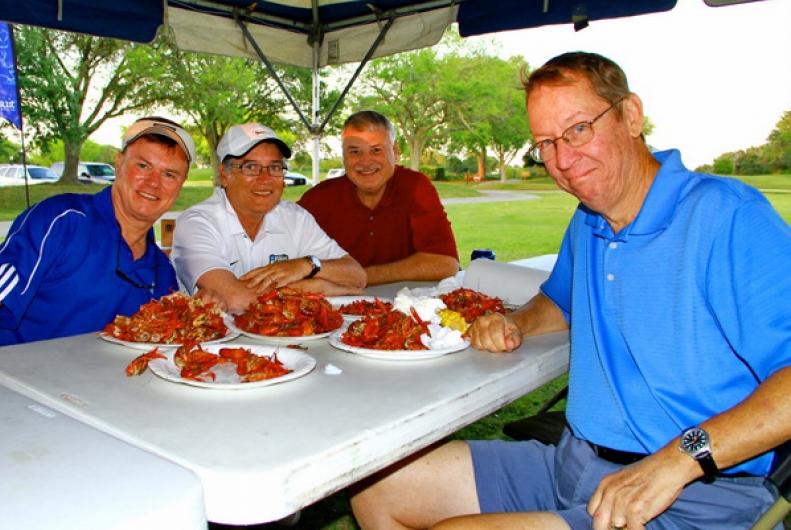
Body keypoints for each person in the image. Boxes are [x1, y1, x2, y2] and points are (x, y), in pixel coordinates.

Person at [350, 52, 791, 530]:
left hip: (692, 493)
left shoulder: (727, 216)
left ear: (631, 115)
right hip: (575, 466)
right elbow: (561, 302)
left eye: (579, 129)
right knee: (378, 489)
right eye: (546, 143)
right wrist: (516, 323)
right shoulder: (589, 219)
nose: (562, 160)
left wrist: (678, 460)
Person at [0, 117, 195, 378]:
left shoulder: (162, 272)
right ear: (119, 163)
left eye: (169, 174)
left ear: (180, 185)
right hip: (9, 380)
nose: (153, 182)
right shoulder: (61, 220)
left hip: (93, 390)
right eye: (143, 165)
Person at [172, 122, 366, 311]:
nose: (265, 179)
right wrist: (313, 288)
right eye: (250, 167)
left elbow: (357, 276)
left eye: (274, 167)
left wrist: (305, 266)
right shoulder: (197, 223)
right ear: (224, 175)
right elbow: (234, 299)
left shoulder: (295, 218)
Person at [297, 110, 459, 286]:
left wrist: (357, 277)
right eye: (355, 152)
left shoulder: (415, 187)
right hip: (335, 301)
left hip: (402, 300)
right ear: (343, 155)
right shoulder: (318, 199)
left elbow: (445, 263)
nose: (365, 162)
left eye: (376, 150)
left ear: (394, 151)